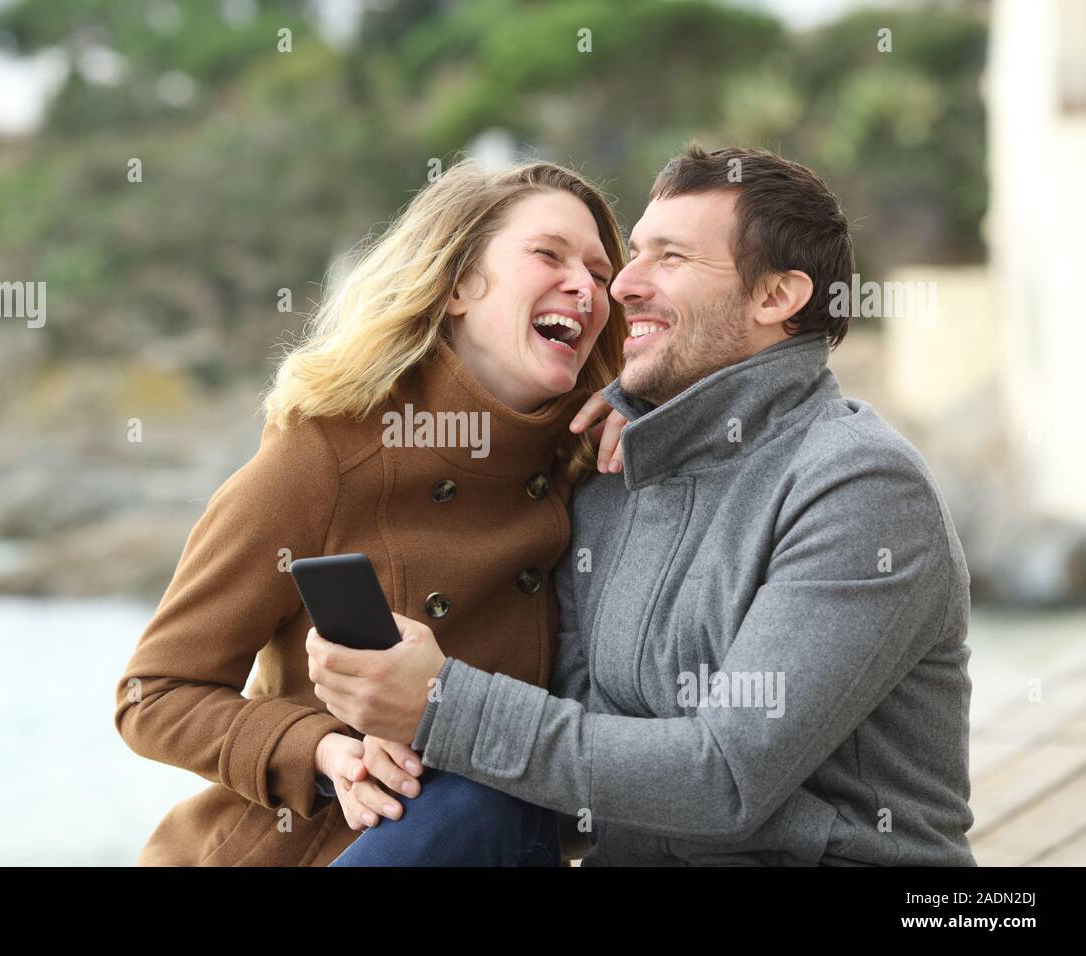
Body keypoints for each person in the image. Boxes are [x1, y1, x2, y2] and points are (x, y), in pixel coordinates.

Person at [308, 142, 978, 866]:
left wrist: (442, 705)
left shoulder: (861, 489)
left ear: (776, 296)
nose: (621, 286)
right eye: (633, 256)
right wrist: (359, 735)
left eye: (671, 258)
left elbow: (724, 778)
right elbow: (570, 752)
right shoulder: (612, 479)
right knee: (461, 805)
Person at [114, 158, 628, 866]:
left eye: (601, 273)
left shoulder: (587, 471)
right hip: (298, 851)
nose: (586, 286)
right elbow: (153, 694)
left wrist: (658, 424)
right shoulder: (326, 456)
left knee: (495, 792)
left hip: (498, 840)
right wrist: (320, 750)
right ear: (456, 286)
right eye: (548, 254)